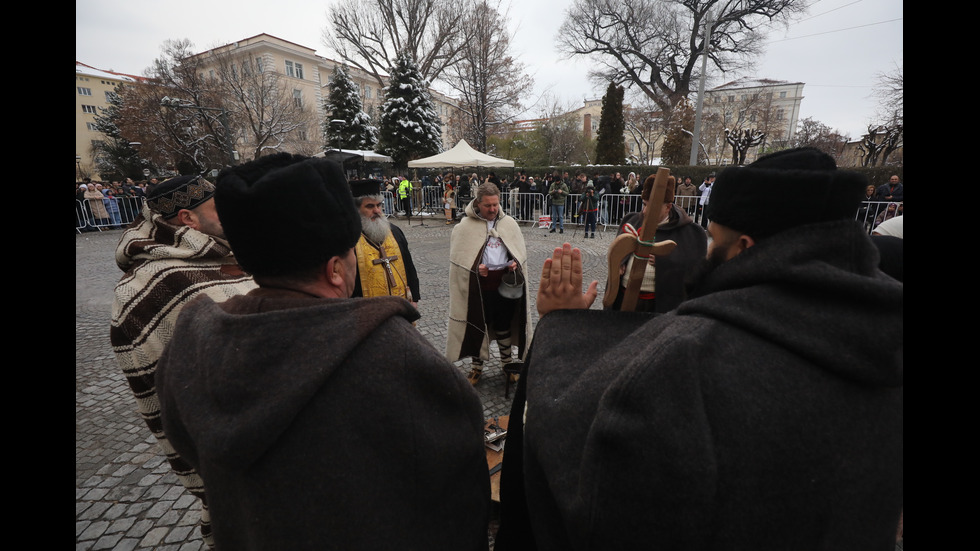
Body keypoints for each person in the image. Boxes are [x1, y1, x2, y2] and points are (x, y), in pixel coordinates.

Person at [494, 147, 903, 550]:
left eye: (714, 241)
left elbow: (584, 463)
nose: (707, 251)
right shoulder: (888, 331)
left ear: (744, 248)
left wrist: (560, 328)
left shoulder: (690, 356)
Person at [155, 153, 490, 550]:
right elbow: (458, 490)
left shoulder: (190, 343)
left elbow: (188, 446)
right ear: (335, 269)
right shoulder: (398, 358)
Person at [110, 175, 258, 548]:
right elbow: (161, 397)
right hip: (232, 450)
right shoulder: (150, 284)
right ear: (188, 219)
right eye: (217, 207)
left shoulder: (231, 257)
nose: (228, 214)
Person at [447, 182, 531, 386]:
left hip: (505, 285)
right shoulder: (463, 228)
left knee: (504, 324)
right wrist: (476, 269)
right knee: (478, 325)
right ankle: (477, 367)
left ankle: (506, 363)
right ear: (478, 203)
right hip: (479, 287)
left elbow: (519, 252)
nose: (493, 209)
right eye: (488, 205)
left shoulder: (509, 223)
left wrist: (515, 263)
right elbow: (459, 262)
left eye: (496, 204)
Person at [607, 173, 707, 313]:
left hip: (659, 306)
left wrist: (664, 260)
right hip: (624, 300)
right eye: (644, 204)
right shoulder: (632, 221)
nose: (645, 211)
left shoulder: (690, 233)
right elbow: (617, 250)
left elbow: (695, 273)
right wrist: (620, 262)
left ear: (668, 207)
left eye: (652, 206)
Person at [349, 179, 420, 306]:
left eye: (379, 205)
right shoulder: (349, 238)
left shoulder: (395, 231)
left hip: (400, 306)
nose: (377, 210)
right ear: (356, 209)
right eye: (370, 206)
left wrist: (414, 298)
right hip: (366, 311)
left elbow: (409, 266)